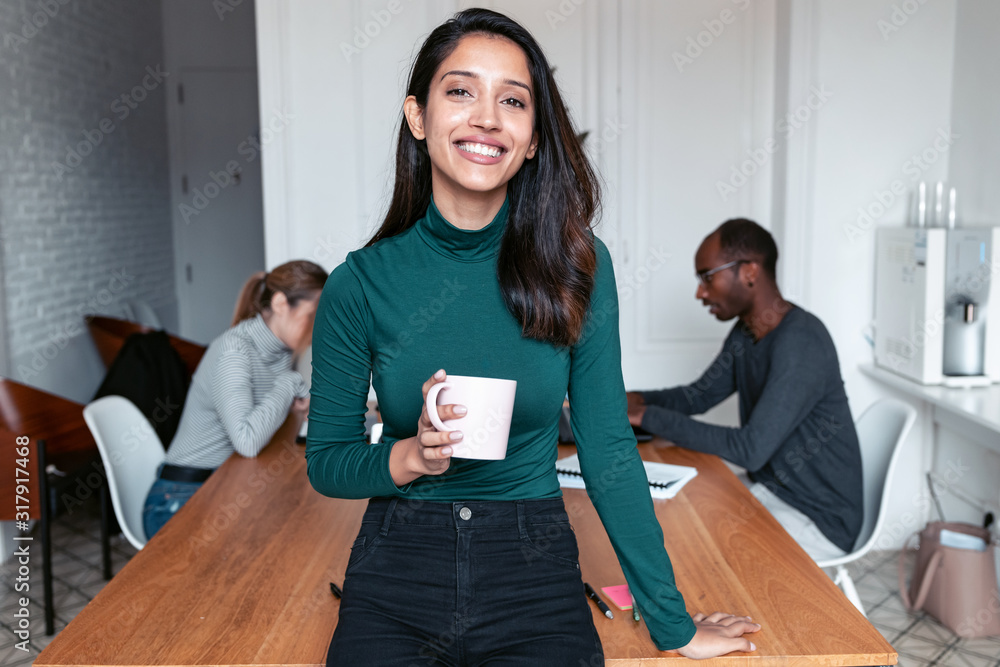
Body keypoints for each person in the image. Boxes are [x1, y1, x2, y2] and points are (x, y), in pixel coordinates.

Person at [306, 9, 760, 664]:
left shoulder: (579, 267)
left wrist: (673, 622)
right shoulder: (360, 284)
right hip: (400, 555)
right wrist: (408, 457)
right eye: (460, 91)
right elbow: (328, 459)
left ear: (533, 138)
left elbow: (607, 448)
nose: (486, 117)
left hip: (532, 557)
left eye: (512, 101)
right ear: (417, 117)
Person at [626, 219, 863, 561]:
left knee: (698, 551)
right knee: (677, 519)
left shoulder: (802, 341)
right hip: (771, 491)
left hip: (818, 520)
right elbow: (698, 396)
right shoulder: (747, 332)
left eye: (707, 277)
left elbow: (750, 449)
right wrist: (635, 399)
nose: (700, 292)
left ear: (750, 271)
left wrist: (646, 416)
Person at [142, 260, 328, 538]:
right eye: (313, 315)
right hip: (179, 499)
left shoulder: (281, 349)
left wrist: (295, 405)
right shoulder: (235, 350)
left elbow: (265, 415)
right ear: (280, 303)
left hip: (226, 485)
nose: (317, 326)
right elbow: (248, 441)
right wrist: (289, 384)